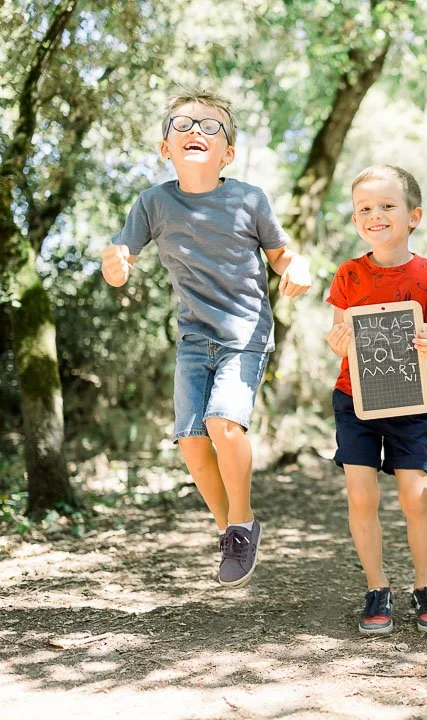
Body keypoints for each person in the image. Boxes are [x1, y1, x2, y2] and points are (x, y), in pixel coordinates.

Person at [101, 89, 311, 588]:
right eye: (183, 124)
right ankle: (230, 531)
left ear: (228, 153)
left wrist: (295, 264)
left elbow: (280, 253)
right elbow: (119, 263)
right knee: (191, 441)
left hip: (245, 332)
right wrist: (115, 264)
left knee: (223, 423)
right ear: (165, 147)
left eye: (210, 126)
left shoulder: (248, 199)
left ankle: (241, 520)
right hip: (194, 337)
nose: (196, 130)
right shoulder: (153, 203)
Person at [326, 165, 427, 635]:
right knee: (361, 495)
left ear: (413, 215)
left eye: (387, 206)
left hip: (409, 399)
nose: (375, 215)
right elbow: (337, 331)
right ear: (356, 219)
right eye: (365, 208)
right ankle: (377, 588)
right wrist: (337, 342)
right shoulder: (348, 274)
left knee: (414, 495)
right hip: (354, 400)